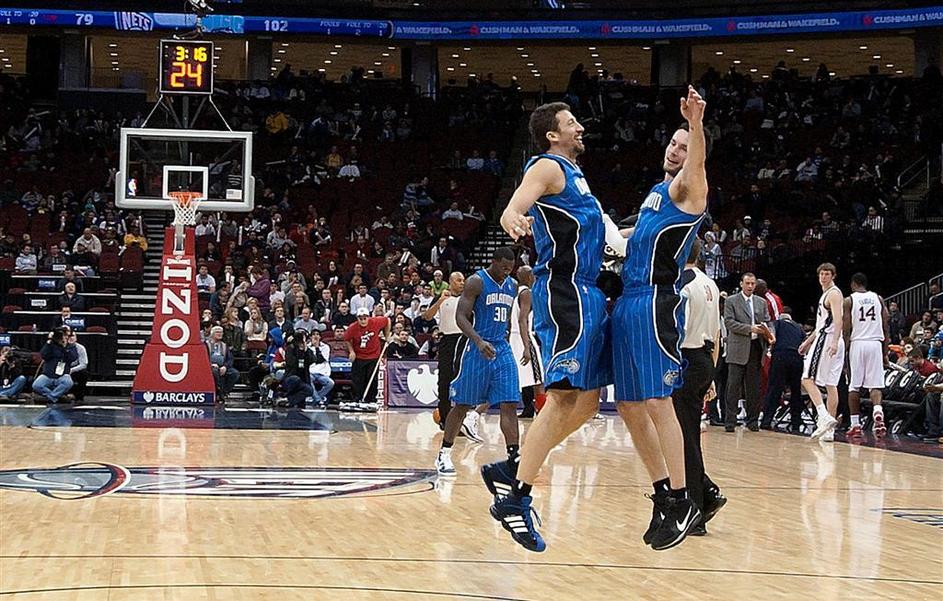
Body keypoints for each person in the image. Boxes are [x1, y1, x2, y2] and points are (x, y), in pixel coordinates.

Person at [481, 101, 612, 553]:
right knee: (560, 399)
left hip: (588, 289)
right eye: (571, 122)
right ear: (553, 135)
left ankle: (512, 470)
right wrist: (511, 217)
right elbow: (516, 204)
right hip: (563, 291)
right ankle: (516, 497)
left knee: (589, 402)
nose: (580, 126)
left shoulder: (577, 176)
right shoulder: (548, 166)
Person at [608, 87, 710, 551]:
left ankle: (687, 496)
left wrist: (696, 123)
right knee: (629, 406)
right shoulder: (655, 192)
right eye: (673, 142)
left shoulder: (691, 191)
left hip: (654, 302)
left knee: (658, 403)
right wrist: (602, 230)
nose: (675, 148)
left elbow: (698, 164)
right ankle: (662, 493)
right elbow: (631, 235)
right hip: (627, 301)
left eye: (683, 145)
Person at [435, 247, 520, 477]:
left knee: (509, 402)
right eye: (503, 267)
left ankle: (514, 458)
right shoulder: (476, 282)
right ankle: (444, 452)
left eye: (510, 269)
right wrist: (479, 341)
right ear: (493, 262)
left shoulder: (512, 285)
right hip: (477, 347)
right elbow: (460, 316)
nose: (506, 272)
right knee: (462, 404)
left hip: (501, 348)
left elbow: (507, 316)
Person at [673, 239, 727, 535]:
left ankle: (695, 506)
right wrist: (712, 376)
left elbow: (676, 331)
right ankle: (704, 493)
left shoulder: (682, 285)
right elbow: (717, 334)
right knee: (687, 434)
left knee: (682, 438)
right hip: (705, 359)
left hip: (685, 359)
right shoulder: (711, 284)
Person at [800, 263, 846, 442]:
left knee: (806, 378)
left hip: (828, 340)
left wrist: (833, 341)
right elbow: (821, 325)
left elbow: (838, 320)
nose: (823, 277)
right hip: (828, 339)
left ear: (833, 276)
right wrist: (807, 341)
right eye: (821, 274)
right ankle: (829, 431)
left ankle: (823, 416)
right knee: (830, 384)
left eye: (827, 274)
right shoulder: (829, 294)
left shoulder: (833, 293)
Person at [724, 273, 774, 432]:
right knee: (733, 386)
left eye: (753, 283)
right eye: (747, 283)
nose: (750, 286)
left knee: (753, 387)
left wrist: (770, 333)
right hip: (738, 347)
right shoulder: (731, 301)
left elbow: (768, 321)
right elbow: (729, 322)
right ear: (741, 284)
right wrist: (749, 329)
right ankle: (730, 421)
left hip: (756, 347)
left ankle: (753, 421)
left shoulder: (761, 302)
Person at [842, 273, 889, 438]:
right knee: (875, 385)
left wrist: (844, 353)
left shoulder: (849, 300)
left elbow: (846, 330)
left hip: (858, 343)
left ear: (853, 284)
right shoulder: (879, 298)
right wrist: (885, 352)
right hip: (875, 343)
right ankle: (877, 410)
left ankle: (855, 425)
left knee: (854, 386)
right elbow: (885, 325)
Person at [421, 272, 466, 431]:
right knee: (444, 380)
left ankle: (462, 420)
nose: (462, 283)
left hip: (464, 340)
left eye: (463, 280)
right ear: (450, 282)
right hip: (446, 340)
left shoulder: (468, 297)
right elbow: (426, 316)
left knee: (462, 379)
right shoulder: (442, 297)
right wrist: (439, 301)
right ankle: (445, 419)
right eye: (458, 280)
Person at [760, 308, 806, 432]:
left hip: (780, 355)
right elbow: (805, 343)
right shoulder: (798, 327)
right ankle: (796, 422)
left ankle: (766, 421)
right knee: (796, 391)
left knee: (774, 389)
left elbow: (771, 336)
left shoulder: (777, 323)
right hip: (797, 357)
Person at [510, 266, 545, 419]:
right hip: (524, 338)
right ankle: (544, 415)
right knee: (538, 380)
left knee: (523, 379)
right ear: (530, 277)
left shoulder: (515, 293)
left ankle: (530, 410)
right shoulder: (526, 293)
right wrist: (526, 346)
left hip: (514, 337)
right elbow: (522, 320)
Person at [344, 307, 391, 404]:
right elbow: (347, 339)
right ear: (357, 318)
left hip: (374, 356)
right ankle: (358, 399)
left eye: (365, 318)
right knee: (358, 380)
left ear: (368, 317)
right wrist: (351, 351)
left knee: (373, 379)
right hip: (359, 356)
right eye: (360, 318)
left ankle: (372, 400)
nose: (363, 320)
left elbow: (387, 320)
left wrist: (386, 336)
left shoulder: (376, 322)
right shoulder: (352, 328)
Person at [32, 327, 77, 403]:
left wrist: (64, 347)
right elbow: (43, 355)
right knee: (36, 385)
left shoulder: (70, 346)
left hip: (62, 375)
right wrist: (49, 342)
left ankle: (51, 397)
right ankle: (57, 397)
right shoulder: (51, 345)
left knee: (68, 382)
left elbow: (73, 358)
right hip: (48, 375)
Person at [282, 332, 316, 408]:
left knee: (309, 390)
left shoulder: (307, 350)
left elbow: (313, 360)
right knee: (295, 379)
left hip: (303, 380)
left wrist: (305, 350)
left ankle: (288, 401)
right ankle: (287, 397)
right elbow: (291, 363)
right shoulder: (290, 349)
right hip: (290, 378)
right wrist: (299, 352)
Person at [206, 326, 239, 402]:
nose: (220, 334)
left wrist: (225, 367)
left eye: (221, 332)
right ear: (212, 334)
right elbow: (202, 357)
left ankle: (224, 392)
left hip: (222, 366)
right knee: (215, 371)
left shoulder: (224, 345)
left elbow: (230, 359)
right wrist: (211, 364)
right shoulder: (206, 344)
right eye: (217, 332)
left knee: (234, 373)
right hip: (210, 366)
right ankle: (219, 393)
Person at [308, 330, 334, 406]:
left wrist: (316, 348)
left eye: (317, 334)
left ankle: (315, 398)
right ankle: (318, 400)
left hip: (322, 373)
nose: (315, 336)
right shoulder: (307, 347)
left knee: (330, 383)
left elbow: (320, 360)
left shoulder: (326, 347)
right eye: (313, 335)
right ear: (310, 337)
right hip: (310, 372)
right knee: (307, 379)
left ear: (320, 337)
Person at [65, 328, 88, 402]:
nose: (71, 338)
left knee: (84, 373)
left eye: (73, 336)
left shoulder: (81, 348)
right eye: (69, 336)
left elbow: (84, 364)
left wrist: (72, 370)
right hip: (63, 369)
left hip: (75, 370)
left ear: (76, 338)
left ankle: (79, 397)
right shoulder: (62, 347)